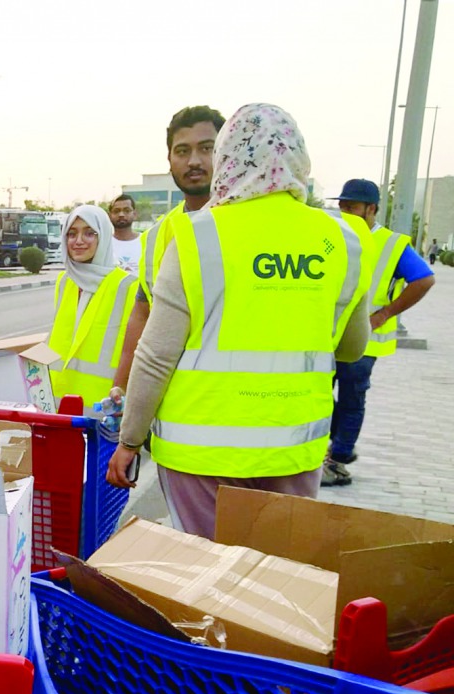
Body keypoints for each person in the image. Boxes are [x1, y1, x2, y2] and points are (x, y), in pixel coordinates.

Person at [106, 103, 370, 540]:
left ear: (227, 157)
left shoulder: (197, 235)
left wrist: (130, 440)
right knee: (270, 579)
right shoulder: (342, 237)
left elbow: (155, 356)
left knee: (209, 582)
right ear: (298, 159)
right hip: (292, 448)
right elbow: (351, 347)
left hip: (199, 451)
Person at [322, 178, 436, 486]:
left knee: (351, 397)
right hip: (328, 335)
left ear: (372, 209)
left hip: (366, 340)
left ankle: (339, 458)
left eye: (352, 207)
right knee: (319, 392)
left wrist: (386, 313)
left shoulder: (392, 244)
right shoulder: (333, 235)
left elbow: (424, 280)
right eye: (342, 205)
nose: (345, 211)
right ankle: (337, 446)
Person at [112, 105, 226, 391]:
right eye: (183, 151)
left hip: (240, 404)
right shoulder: (158, 235)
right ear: (170, 160)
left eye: (207, 148)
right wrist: (120, 393)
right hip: (172, 406)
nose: (194, 161)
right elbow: (142, 315)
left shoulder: (251, 224)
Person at [43, 204, 141, 409]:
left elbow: (134, 351)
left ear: (103, 237)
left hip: (104, 408)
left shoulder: (128, 286)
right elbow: (58, 338)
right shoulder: (65, 281)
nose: (78, 241)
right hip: (57, 404)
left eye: (89, 233)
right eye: (71, 233)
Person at [108, 194, 142, 275]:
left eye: (126, 210)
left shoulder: (147, 241)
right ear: (109, 215)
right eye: (116, 211)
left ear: (135, 214)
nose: (121, 215)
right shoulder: (104, 243)